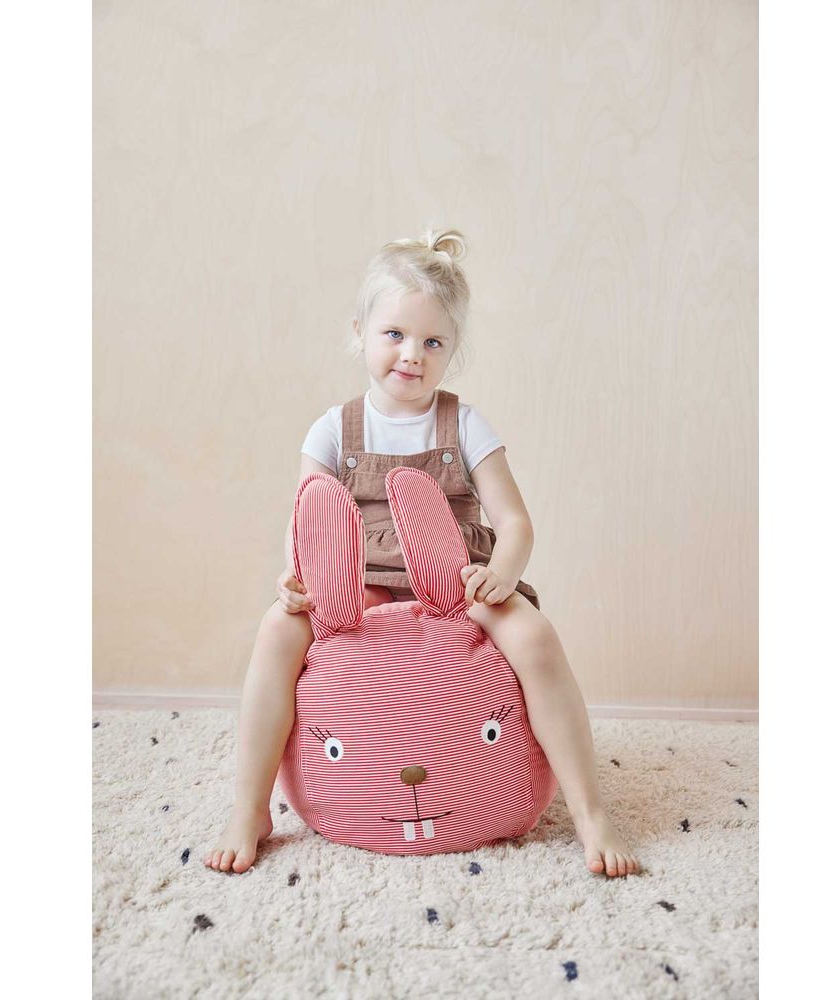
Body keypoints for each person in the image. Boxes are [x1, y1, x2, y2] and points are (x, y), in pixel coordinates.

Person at [205, 228, 641, 877]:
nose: (412, 354)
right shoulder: (332, 429)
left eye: (433, 342)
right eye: (395, 335)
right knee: (277, 629)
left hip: (454, 579)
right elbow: (307, 523)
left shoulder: (464, 424)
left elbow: (515, 522)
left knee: (535, 637)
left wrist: (501, 574)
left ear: (452, 350)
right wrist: (295, 581)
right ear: (360, 331)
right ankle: (250, 808)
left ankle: (589, 810)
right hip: (359, 582)